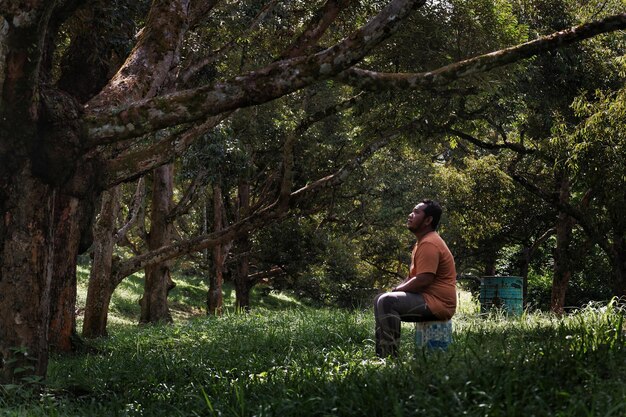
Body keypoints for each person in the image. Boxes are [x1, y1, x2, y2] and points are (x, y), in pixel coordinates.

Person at [374, 199, 456, 358]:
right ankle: (381, 356)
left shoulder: (430, 243)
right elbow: (412, 277)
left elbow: (424, 279)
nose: (410, 215)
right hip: (426, 298)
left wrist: (397, 290)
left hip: (439, 303)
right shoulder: (422, 242)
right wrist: (396, 289)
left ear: (428, 220)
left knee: (387, 302)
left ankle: (389, 358)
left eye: (416, 212)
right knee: (380, 299)